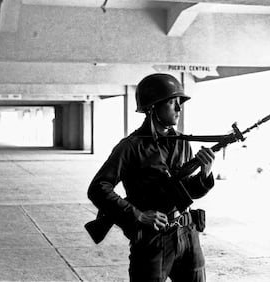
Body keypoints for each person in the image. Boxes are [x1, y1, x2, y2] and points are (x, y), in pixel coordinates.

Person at [87, 73, 215, 282]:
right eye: (172, 102)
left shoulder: (182, 142)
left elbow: (187, 192)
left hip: (188, 235)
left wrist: (205, 174)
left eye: (179, 102)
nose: (179, 109)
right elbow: (98, 188)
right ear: (153, 107)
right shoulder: (131, 146)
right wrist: (137, 215)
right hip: (153, 239)